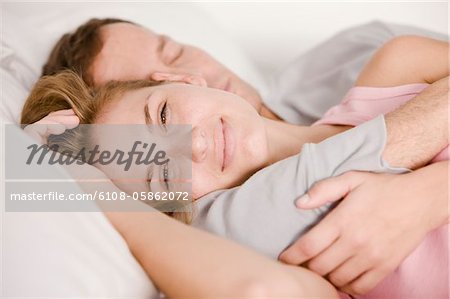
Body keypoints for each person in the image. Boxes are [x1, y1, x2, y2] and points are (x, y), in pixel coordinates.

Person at [39, 18, 449, 296]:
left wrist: (429, 192)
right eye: (162, 174)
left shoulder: (394, 63)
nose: (195, 146)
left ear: (182, 81)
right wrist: (69, 172)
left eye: (163, 114)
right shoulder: (242, 232)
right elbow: (256, 289)